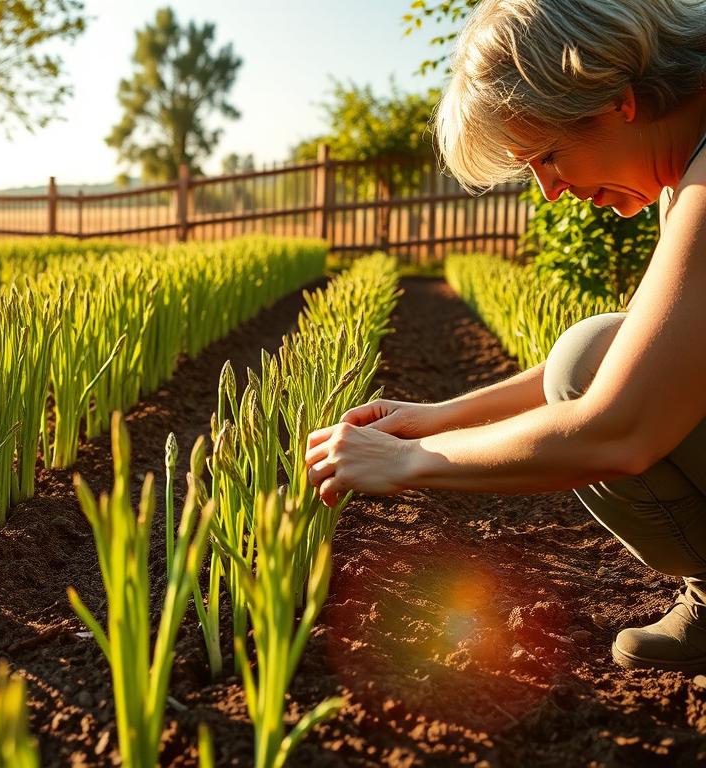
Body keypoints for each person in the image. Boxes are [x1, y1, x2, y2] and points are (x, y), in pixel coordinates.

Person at [303, 0, 706, 672]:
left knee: (586, 359)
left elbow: (621, 427)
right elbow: (641, 353)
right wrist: (440, 417)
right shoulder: (685, 176)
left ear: (616, 99)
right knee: (590, 352)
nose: (549, 191)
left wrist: (410, 461)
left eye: (548, 156)